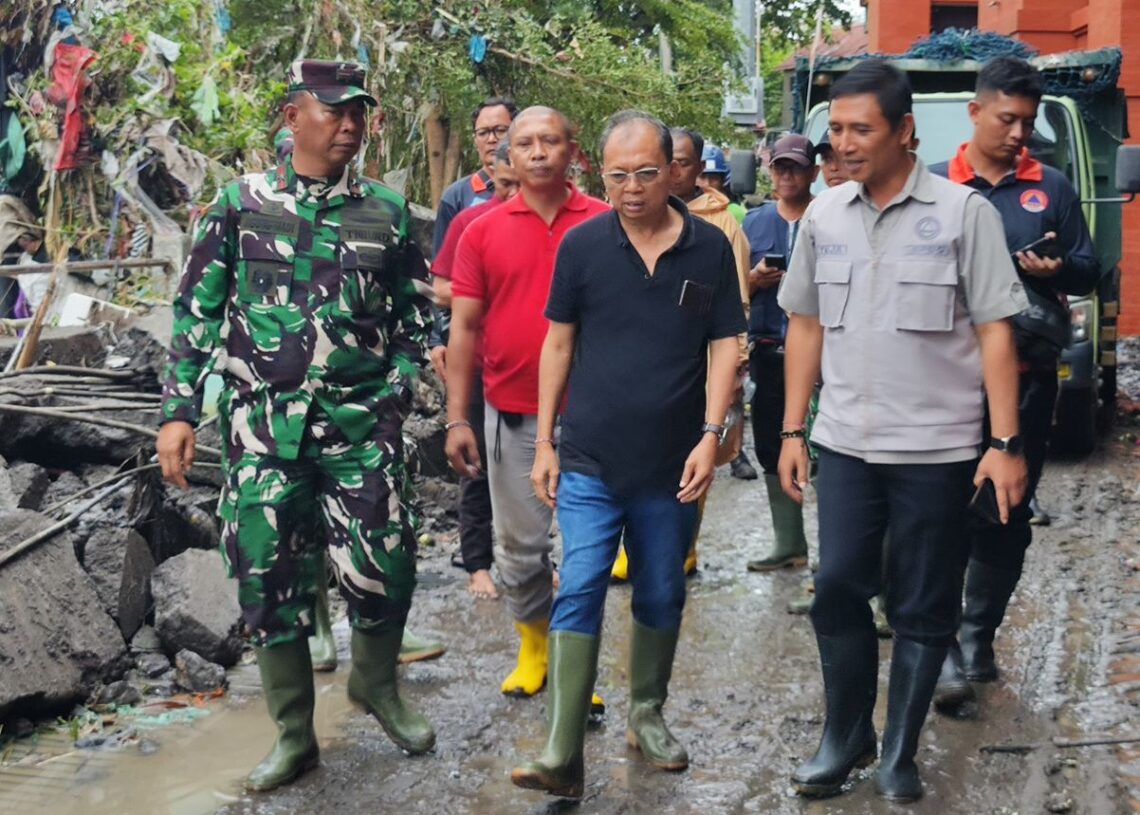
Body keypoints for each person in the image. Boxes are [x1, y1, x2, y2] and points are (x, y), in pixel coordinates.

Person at [156, 60, 436, 792]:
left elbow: (415, 318)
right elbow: (196, 313)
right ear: (292, 116)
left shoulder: (386, 211)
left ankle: (377, 685)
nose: (350, 124)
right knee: (267, 580)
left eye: (359, 112)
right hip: (261, 436)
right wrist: (179, 413)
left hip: (360, 432)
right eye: (334, 110)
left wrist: (395, 393)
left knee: (386, 568)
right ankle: (293, 736)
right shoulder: (240, 204)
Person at [777, 60, 1028, 803]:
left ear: (905, 131)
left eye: (863, 130)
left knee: (923, 604)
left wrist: (1005, 444)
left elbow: (994, 335)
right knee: (836, 591)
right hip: (848, 444)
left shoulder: (962, 215)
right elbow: (805, 325)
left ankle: (898, 751)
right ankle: (844, 734)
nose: (845, 145)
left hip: (939, 451)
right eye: (838, 131)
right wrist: (795, 428)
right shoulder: (823, 216)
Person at [511, 110, 745, 799]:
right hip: (588, 457)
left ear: (674, 169)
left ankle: (647, 712)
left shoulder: (706, 247)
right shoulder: (582, 248)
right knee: (581, 578)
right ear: (600, 174)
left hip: (673, 461)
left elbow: (725, 343)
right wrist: (545, 441)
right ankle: (562, 746)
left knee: (662, 586)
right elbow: (557, 343)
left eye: (647, 173)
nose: (634, 188)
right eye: (619, 176)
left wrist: (711, 434)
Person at [929, 56, 1099, 710]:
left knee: (1007, 511)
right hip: (948, 380)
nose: (1020, 134)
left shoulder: (1050, 185)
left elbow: (1089, 267)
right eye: (1009, 119)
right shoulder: (938, 184)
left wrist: (1057, 266)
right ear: (976, 113)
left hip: (1029, 377)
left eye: (1029, 122)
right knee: (939, 512)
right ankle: (940, 643)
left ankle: (978, 638)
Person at [265, 127, 446, 672]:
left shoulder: (375, 212)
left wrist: (400, 382)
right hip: (283, 415)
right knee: (299, 531)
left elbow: (413, 305)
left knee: (384, 526)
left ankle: (383, 633)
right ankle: (318, 631)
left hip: (361, 412)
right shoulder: (257, 214)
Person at [444, 106, 610, 699]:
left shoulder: (607, 222)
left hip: (593, 416)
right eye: (525, 143)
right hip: (509, 415)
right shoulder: (479, 230)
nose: (538, 152)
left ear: (574, 151)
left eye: (550, 141)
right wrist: (458, 416)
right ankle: (535, 647)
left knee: (589, 554)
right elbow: (463, 329)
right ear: (506, 157)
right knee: (520, 550)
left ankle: (573, 667)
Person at [609, 125, 754, 582]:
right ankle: (627, 544)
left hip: (701, 368)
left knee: (693, 458)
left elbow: (736, 309)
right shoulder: (620, 218)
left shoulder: (719, 225)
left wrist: (731, 368)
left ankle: (683, 544)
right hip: (640, 367)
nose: (668, 175)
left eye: (682, 164)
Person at [429, 98, 519, 597]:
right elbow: (440, 286)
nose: (489, 139)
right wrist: (439, 340)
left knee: (526, 466)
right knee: (477, 464)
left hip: (527, 362)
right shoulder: (464, 209)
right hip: (477, 356)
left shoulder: (545, 214)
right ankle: (477, 562)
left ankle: (523, 558)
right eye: (483, 131)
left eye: (499, 130)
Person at [740, 133, 818, 574]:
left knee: (827, 451)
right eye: (780, 167)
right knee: (772, 446)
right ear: (770, 171)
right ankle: (790, 542)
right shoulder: (754, 223)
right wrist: (754, 280)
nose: (787, 175)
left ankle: (839, 559)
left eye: (796, 167)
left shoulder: (829, 215)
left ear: (813, 173)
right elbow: (732, 290)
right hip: (770, 351)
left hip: (825, 356)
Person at [697, 144, 747, 223]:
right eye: (702, 177)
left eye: (713, 178)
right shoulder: (680, 210)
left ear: (722, 181)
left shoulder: (735, 212)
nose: (707, 184)